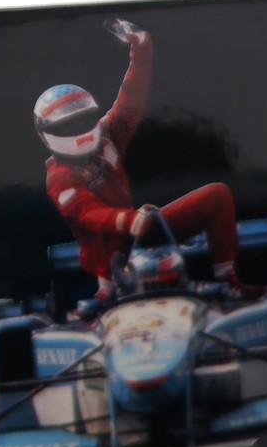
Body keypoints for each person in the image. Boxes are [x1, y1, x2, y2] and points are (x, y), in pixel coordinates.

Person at [33, 18, 240, 304]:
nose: (79, 129)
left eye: (83, 120)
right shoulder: (59, 177)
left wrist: (142, 51)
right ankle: (107, 295)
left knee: (217, 195)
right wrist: (128, 220)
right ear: (49, 134)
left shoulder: (107, 137)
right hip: (111, 258)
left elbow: (131, 100)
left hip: (141, 230)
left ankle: (228, 283)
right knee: (106, 245)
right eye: (69, 126)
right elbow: (90, 214)